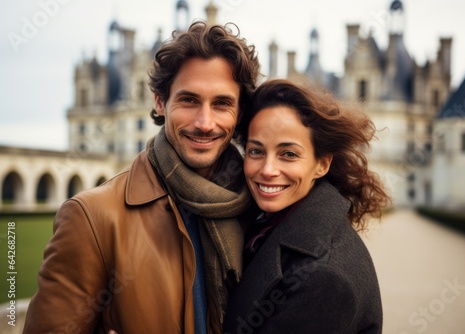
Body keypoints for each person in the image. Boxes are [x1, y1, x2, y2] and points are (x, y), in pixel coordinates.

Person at [23, 21, 260, 334]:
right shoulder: (92, 218)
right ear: (159, 102)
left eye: (221, 104)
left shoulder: (260, 206)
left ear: (240, 113)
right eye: (188, 100)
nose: (205, 123)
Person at [223, 79, 391, 333]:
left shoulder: (322, 278)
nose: (267, 170)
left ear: (322, 164)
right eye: (256, 151)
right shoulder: (269, 223)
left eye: (288, 154)